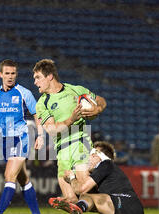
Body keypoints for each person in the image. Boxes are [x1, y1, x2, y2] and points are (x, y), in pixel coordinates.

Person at [0, 59, 44, 214]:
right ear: (1, 74)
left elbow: (38, 115)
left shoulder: (24, 93)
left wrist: (40, 135)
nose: (10, 77)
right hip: (5, 140)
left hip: (22, 137)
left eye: (13, 73)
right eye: (7, 73)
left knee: (9, 175)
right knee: (22, 178)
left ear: (16, 75)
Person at [33, 59, 107, 204]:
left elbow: (101, 100)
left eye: (38, 77)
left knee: (84, 188)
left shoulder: (76, 90)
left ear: (50, 76)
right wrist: (71, 119)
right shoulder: (42, 103)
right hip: (61, 150)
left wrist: (97, 109)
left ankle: (115, 204)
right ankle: (79, 204)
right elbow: (52, 130)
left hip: (80, 142)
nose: (35, 82)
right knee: (72, 198)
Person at [48, 141, 143, 214]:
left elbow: (81, 190)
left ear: (98, 155)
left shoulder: (106, 164)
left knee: (86, 195)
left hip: (126, 204)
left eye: (92, 155)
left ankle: (79, 207)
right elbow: (95, 204)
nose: (88, 158)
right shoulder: (103, 175)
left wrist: (72, 178)